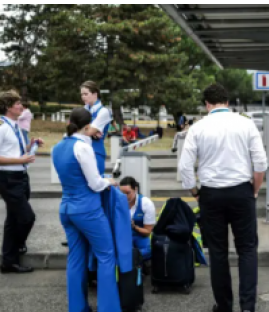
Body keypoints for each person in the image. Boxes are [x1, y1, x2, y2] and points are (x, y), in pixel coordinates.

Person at [178, 84, 268, 312]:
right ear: (227, 102)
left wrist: (195, 192)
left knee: (218, 252)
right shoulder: (246, 123)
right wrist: (254, 190)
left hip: (211, 193)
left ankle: (224, 305)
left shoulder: (198, 128)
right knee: (247, 249)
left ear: (207, 104)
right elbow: (260, 163)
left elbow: (185, 167)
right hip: (241, 191)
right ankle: (247, 307)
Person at [52, 107, 121, 311]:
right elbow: (95, 183)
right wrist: (109, 181)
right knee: (106, 255)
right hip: (87, 210)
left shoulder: (57, 147)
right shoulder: (83, 147)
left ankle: (78, 307)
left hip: (66, 208)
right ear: (88, 126)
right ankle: (108, 308)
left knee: (75, 258)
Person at [0, 90, 43, 274]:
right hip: (8, 178)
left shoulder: (14, 125)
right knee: (27, 217)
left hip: (21, 176)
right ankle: (16, 250)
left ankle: (8, 261)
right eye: (17, 104)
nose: (21, 107)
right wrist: (20, 160)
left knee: (13, 219)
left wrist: (30, 145)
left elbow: (13, 150)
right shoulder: (2, 126)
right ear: (9, 107)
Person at [119, 176, 155, 261]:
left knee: (147, 251)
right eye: (122, 193)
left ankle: (140, 267)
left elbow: (147, 232)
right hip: (124, 236)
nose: (124, 196)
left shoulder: (146, 204)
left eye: (128, 193)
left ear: (135, 189)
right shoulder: (117, 202)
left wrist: (134, 227)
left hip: (140, 235)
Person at [81, 81, 112, 175]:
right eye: (82, 94)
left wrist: (83, 128)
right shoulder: (83, 109)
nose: (83, 97)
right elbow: (70, 128)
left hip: (96, 152)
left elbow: (88, 132)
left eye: (86, 94)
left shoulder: (103, 111)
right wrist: (89, 128)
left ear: (95, 94)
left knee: (96, 185)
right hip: (82, 151)